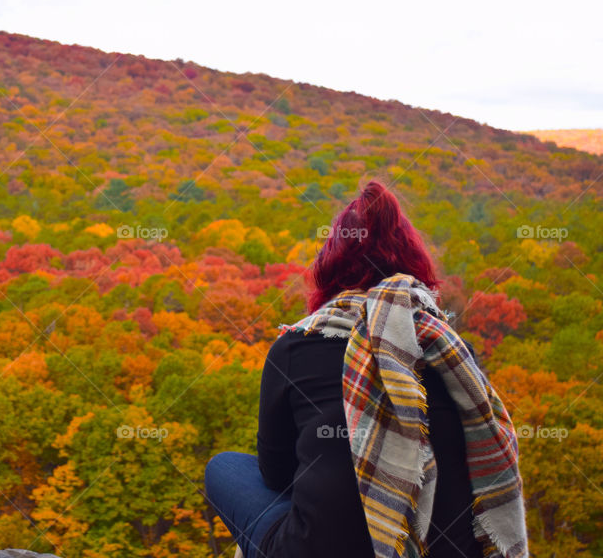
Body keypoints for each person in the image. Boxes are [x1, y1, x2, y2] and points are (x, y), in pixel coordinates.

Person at [204, 180, 528, 558]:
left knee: (223, 467)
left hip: (314, 549)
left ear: (329, 269)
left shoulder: (296, 347)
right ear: (415, 267)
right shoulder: (454, 352)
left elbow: (275, 475)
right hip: (448, 549)